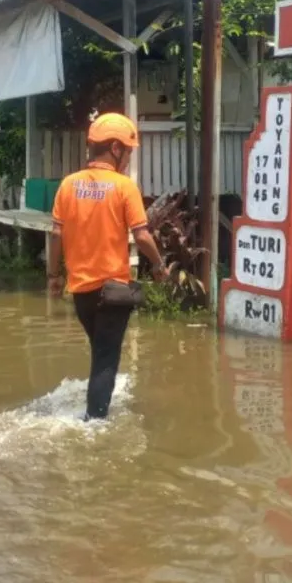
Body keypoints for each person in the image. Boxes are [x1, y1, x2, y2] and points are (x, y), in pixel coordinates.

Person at [47, 113, 167, 420]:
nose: (128, 158)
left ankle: (95, 408)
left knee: (100, 352)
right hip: (114, 292)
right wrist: (158, 265)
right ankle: (95, 423)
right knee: (105, 359)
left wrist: (54, 276)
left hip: (82, 293)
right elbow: (141, 235)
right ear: (115, 148)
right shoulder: (124, 187)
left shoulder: (68, 186)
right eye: (128, 150)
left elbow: (56, 233)